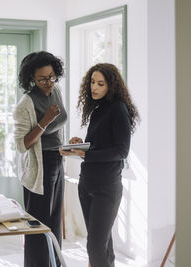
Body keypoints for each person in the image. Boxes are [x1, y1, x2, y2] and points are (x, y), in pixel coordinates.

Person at [60, 63, 139, 267]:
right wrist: (80, 144)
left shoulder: (118, 109)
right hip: (86, 184)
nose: (94, 87)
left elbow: (121, 151)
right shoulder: (98, 109)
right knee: (103, 245)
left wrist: (86, 154)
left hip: (107, 188)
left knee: (94, 247)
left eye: (100, 83)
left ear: (111, 86)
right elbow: (99, 145)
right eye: (92, 82)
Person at [13, 51, 67, 267]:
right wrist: (44, 121)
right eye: (42, 78)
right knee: (38, 225)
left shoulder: (57, 91)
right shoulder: (25, 103)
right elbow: (22, 145)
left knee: (54, 222)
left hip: (57, 160)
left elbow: (59, 125)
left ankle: (55, 263)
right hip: (39, 166)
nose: (49, 82)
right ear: (31, 79)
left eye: (52, 76)